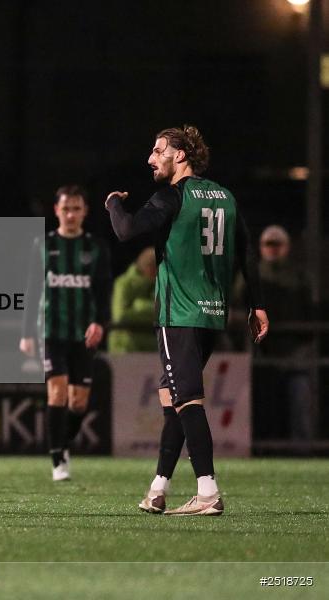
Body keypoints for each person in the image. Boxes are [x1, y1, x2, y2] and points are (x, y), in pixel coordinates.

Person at [105, 125, 268, 516]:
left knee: (187, 400)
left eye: (158, 150)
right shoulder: (224, 196)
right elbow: (246, 251)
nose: (151, 158)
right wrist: (257, 305)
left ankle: (208, 491)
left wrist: (112, 203)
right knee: (174, 400)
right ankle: (158, 488)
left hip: (179, 313)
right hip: (213, 315)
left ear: (180, 155)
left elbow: (126, 231)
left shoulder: (172, 197)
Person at [20, 185, 111, 482]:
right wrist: (26, 332)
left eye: (76, 208)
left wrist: (100, 322)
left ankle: (63, 442)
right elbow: (32, 288)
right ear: (56, 211)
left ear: (84, 212)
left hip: (83, 333)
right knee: (57, 391)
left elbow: (102, 291)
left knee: (78, 403)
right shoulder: (44, 245)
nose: (70, 214)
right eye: (65, 208)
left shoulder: (95, 248)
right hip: (51, 330)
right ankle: (57, 457)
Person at [235, 225, 313, 443]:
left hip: (294, 351)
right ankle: (261, 446)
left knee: (299, 401)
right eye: (268, 244)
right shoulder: (250, 274)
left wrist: (300, 336)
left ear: (286, 247)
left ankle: (302, 450)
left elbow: (309, 311)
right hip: (261, 351)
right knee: (263, 403)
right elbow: (237, 306)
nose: (273, 249)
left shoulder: (299, 276)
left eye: (277, 244)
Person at [109, 247, 158, 354]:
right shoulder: (123, 284)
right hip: (124, 347)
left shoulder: (159, 285)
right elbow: (120, 316)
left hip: (153, 348)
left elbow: (167, 313)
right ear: (149, 268)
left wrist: (139, 306)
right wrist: (147, 308)